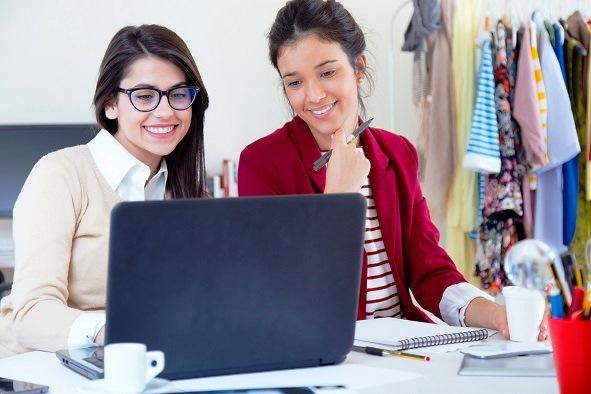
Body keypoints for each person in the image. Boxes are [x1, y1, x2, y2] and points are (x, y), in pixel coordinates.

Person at [239, 0, 546, 338]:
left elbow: (431, 272)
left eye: (327, 72)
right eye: (294, 82)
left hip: (402, 347)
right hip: (321, 347)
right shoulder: (261, 163)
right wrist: (338, 197)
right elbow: (283, 291)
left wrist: (495, 313)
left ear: (358, 67)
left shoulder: (397, 152)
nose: (313, 95)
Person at [0, 24, 209, 357]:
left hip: (136, 366)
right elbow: (31, 313)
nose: (166, 111)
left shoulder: (187, 192)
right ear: (111, 103)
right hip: (42, 368)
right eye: (144, 96)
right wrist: (113, 332)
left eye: (179, 94)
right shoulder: (62, 174)